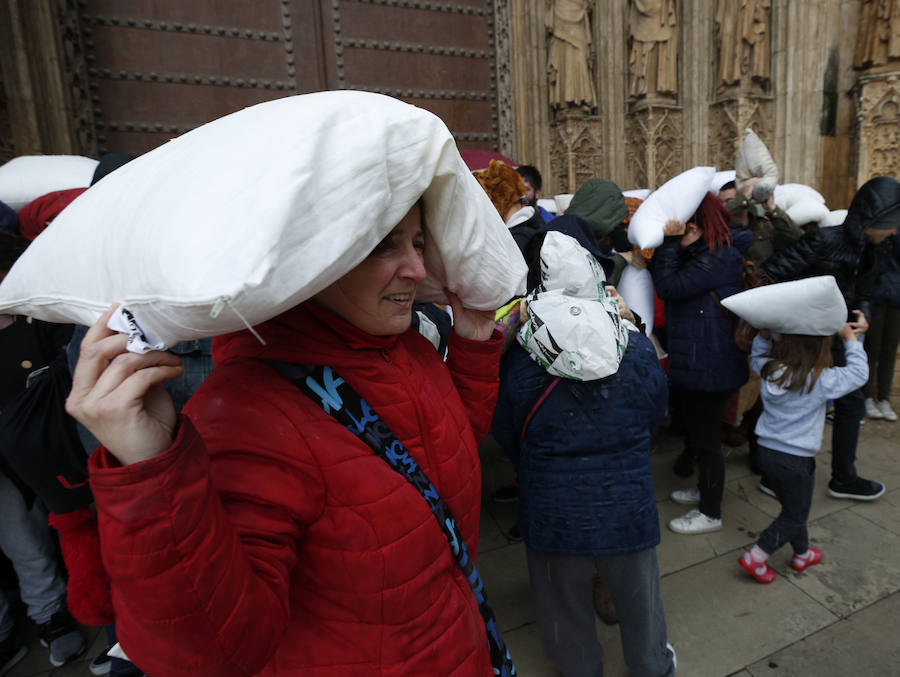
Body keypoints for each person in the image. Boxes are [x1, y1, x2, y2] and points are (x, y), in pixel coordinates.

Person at [66, 201, 509, 676]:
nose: (418, 269)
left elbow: (446, 452)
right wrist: (149, 475)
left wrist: (474, 342)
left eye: (418, 242)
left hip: (460, 639)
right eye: (384, 245)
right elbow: (213, 654)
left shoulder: (408, 350)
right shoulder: (246, 413)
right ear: (311, 259)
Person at [492, 225, 675, 677]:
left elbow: (505, 429)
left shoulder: (519, 355)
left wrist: (535, 466)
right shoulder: (633, 347)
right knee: (641, 607)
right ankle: (653, 668)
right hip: (626, 506)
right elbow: (655, 412)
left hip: (552, 510)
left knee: (562, 611)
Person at [760, 176, 900, 500]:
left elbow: (863, 291)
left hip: (839, 340)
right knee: (789, 404)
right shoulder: (823, 241)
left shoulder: (876, 249)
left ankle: (843, 477)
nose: (894, 231)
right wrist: (797, 322)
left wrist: (861, 314)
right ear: (873, 219)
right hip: (801, 344)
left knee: (851, 405)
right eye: (891, 224)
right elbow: (769, 274)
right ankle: (776, 475)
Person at [0, 232, 85, 672]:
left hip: (52, 454)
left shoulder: (41, 315)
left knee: (34, 539)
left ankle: (55, 618)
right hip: (12, 464)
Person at [650, 194, 752, 534]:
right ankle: (705, 487)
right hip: (704, 360)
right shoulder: (706, 252)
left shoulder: (718, 256)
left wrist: (669, 243)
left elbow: (669, 286)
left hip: (712, 364)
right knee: (699, 435)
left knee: (707, 441)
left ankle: (710, 511)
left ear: (693, 228)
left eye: (684, 231)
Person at [739, 322, 868, 583]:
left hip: (766, 453)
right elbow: (858, 373)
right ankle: (757, 555)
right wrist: (851, 339)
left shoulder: (771, 370)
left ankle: (802, 553)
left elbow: (758, 358)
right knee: (795, 514)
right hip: (796, 460)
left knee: (793, 508)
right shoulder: (820, 379)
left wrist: (763, 337)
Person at [863, 229, 899, 421]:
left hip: (895, 297)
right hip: (874, 296)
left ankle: (884, 398)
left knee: (889, 351)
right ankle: (867, 397)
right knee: (871, 349)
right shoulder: (877, 228)